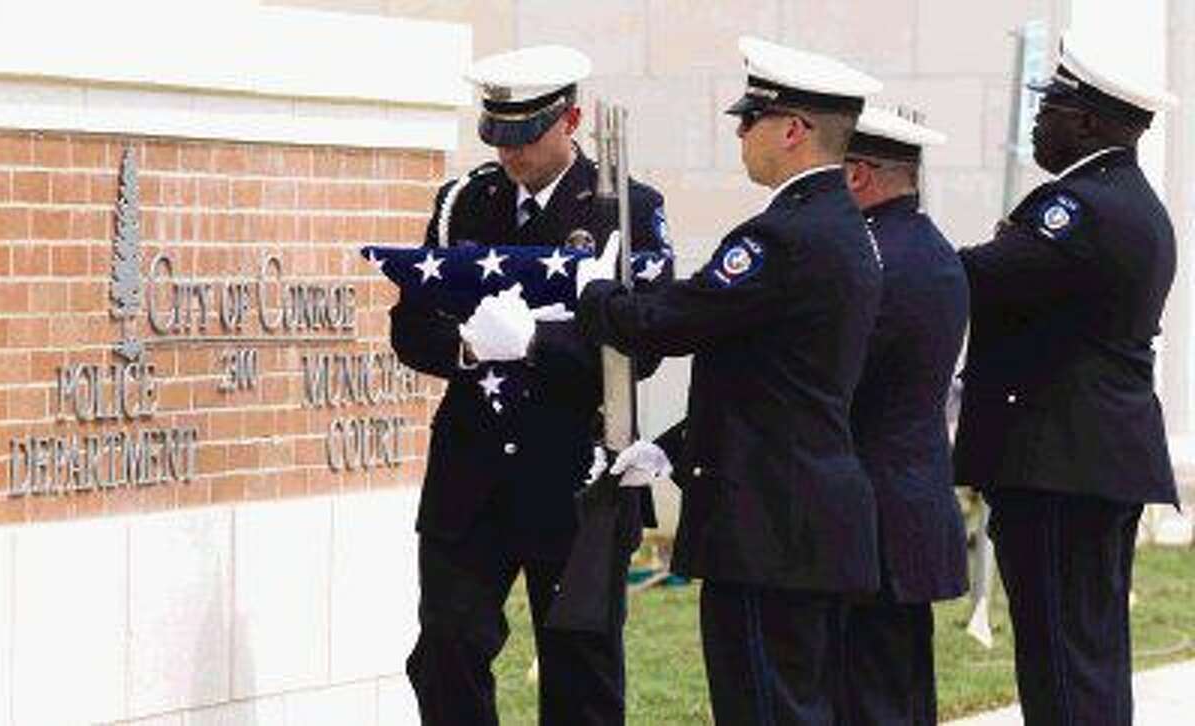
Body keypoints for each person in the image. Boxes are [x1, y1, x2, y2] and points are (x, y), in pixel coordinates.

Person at [578, 36, 884, 723]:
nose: (741, 134)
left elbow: (670, 323)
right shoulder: (844, 226)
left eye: (751, 119)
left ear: (794, 131)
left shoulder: (782, 237)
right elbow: (769, 373)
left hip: (768, 526)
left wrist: (594, 293)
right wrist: (676, 443)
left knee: (763, 707)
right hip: (809, 518)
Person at [387, 45, 671, 725]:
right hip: (472, 471)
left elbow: (645, 344)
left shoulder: (624, 209)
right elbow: (410, 327)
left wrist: (538, 343)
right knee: (447, 650)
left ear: (570, 120)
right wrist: (465, 345)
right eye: (497, 135)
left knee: (581, 675)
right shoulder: (464, 204)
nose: (510, 154)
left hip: (573, 471)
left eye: (526, 136)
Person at [953, 29, 1179, 726]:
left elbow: (975, 277)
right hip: (1095, 458)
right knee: (1089, 653)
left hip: (1060, 462)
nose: (1038, 122)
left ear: (1084, 120)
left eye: (1048, 109)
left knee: (1061, 661)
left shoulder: (1078, 209)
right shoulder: (1131, 201)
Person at [837, 108, 969, 725]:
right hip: (909, 500)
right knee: (901, 689)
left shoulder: (871, 258)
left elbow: (837, 382)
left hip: (872, 507)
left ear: (858, 176)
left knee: (870, 694)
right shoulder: (928, 246)